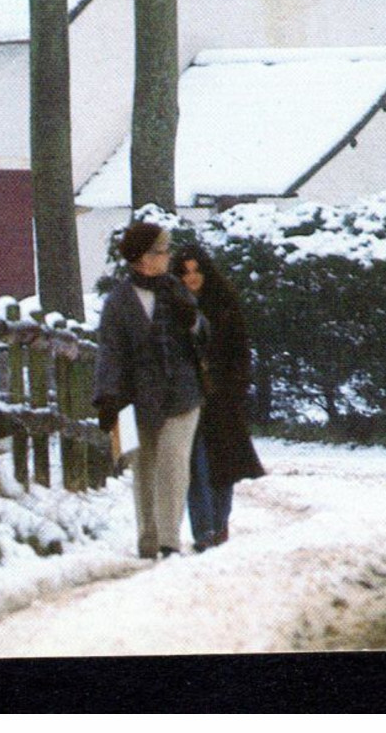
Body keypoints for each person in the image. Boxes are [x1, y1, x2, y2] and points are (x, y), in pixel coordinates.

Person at [94, 221, 208, 559]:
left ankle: (169, 541)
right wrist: (108, 401)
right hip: (135, 398)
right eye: (162, 251)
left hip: (182, 394)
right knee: (143, 468)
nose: (168, 257)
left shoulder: (176, 291)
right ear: (143, 258)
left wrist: (193, 320)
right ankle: (148, 539)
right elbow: (110, 352)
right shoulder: (118, 302)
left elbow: (202, 337)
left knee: (174, 465)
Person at [174, 243, 265, 551]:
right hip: (187, 396)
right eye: (185, 273)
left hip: (222, 398)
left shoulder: (224, 304)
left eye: (196, 271)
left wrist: (236, 388)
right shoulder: (171, 308)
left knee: (221, 468)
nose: (192, 278)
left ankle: (219, 522)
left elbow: (240, 350)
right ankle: (204, 530)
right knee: (194, 465)